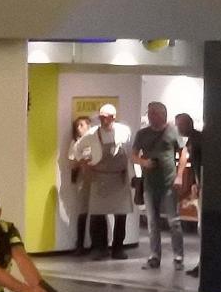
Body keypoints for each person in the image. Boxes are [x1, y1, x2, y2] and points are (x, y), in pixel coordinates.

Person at [74, 104, 135, 260]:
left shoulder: (124, 131)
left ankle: (118, 249)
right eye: (101, 117)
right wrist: (83, 162)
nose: (103, 120)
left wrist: (134, 174)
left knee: (121, 215)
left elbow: (130, 151)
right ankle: (99, 248)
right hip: (99, 177)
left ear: (113, 117)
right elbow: (77, 148)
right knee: (97, 215)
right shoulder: (92, 134)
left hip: (119, 178)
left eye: (106, 117)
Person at [133, 102, 185, 270]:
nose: (150, 116)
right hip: (150, 184)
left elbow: (184, 151)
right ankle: (154, 256)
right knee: (152, 222)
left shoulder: (172, 131)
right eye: (149, 113)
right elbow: (133, 155)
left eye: (154, 113)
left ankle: (178, 257)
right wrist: (143, 162)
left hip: (168, 183)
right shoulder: (142, 134)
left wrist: (179, 175)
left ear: (162, 114)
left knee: (173, 221)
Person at [175, 113, 203, 278]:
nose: (178, 129)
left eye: (180, 125)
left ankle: (203, 264)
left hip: (203, 186)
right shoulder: (194, 139)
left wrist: (197, 183)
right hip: (200, 185)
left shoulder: (197, 140)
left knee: (202, 227)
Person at [67, 115, 93, 255]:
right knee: (83, 212)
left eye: (82, 125)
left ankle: (98, 245)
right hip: (83, 181)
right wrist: (81, 162)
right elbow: (71, 162)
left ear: (89, 126)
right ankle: (80, 244)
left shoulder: (96, 140)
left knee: (98, 213)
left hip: (97, 180)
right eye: (77, 126)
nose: (79, 128)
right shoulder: (75, 143)